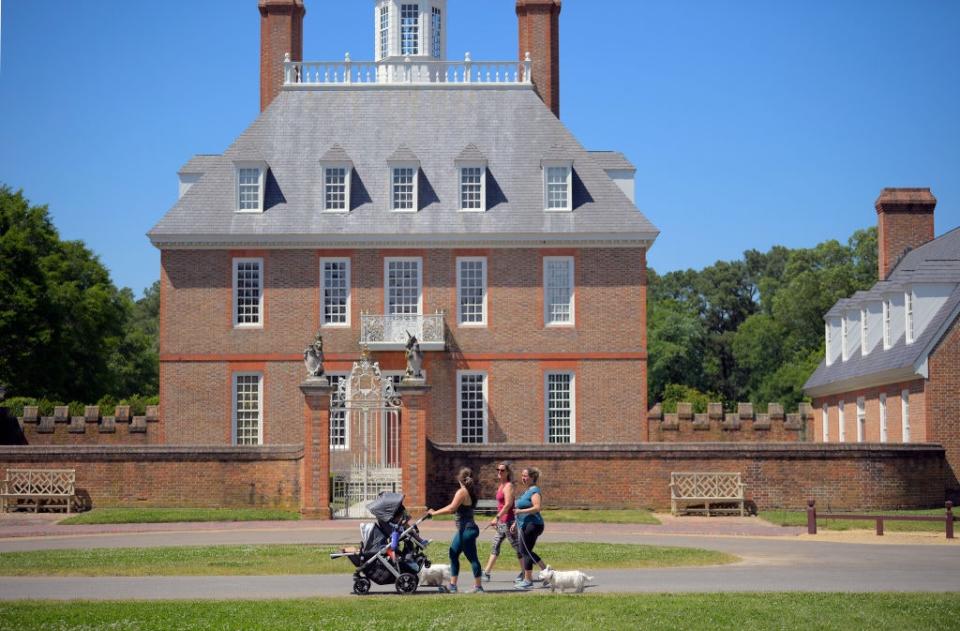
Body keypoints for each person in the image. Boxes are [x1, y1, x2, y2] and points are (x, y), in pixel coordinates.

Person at [428, 467, 484, 593]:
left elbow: (451, 509)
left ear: (460, 479)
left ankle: (478, 587)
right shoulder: (469, 491)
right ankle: (452, 586)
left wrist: (434, 514)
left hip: (467, 530)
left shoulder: (462, 492)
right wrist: (435, 512)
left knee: (472, 558)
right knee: (453, 553)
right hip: (464, 530)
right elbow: (452, 505)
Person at [482, 462, 523, 581]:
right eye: (498, 470)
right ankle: (487, 572)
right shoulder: (501, 485)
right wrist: (498, 520)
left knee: (517, 547)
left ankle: (525, 572)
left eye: (502, 470)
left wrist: (497, 517)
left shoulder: (508, 486)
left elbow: (508, 504)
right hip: (502, 523)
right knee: (495, 545)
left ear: (508, 472)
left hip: (508, 521)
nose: (499, 472)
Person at [512, 466, 546, 590]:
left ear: (532, 477)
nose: (523, 478)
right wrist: (515, 523)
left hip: (534, 525)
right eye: (522, 475)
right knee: (526, 551)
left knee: (524, 551)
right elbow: (520, 512)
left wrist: (520, 511)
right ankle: (547, 571)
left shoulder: (534, 491)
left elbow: (537, 507)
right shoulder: (526, 491)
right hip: (525, 524)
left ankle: (528, 580)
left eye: (525, 476)